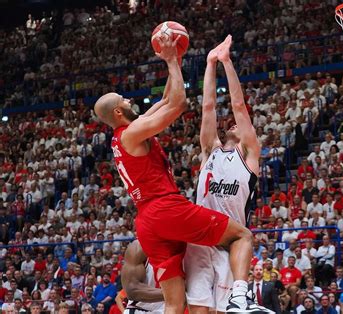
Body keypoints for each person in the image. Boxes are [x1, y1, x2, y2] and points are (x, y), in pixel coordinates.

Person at [93, 35, 256, 313]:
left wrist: (176, 59)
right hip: (165, 208)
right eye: (124, 99)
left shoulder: (129, 130)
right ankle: (241, 297)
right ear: (119, 111)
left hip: (146, 222)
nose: (130, 98)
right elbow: (178, 103)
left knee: (174, 303)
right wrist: (170, 61)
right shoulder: (132, 132)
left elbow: (168, 98)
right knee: (242, 236)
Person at [182, 37, 271, 314]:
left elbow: (239, 105)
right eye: (230, 123)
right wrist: (210, 63)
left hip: (228, 245)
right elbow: (208, 107)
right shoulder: (210, 150)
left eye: (238, 123)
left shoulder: (249, 154)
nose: (234, 122)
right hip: (198, 242)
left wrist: (227, 62)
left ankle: (242, 296)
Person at [121, 240, 164, 313]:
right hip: (140, 310)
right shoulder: (138, 247)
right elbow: (132, 291)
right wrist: (174, 294)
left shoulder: (185, 247)